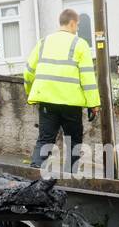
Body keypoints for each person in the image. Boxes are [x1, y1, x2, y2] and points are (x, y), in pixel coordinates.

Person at [24, 9, 101, 172]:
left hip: (46, 101)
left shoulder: (43, 42)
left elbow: (28, 72)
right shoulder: (80, 43)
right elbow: (87, 78)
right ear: (72, 23)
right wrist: (93, 104)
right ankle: (70, 177)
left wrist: (32, 92)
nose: (77, 28)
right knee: (73, 141)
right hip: (70, 103)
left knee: (45, 139)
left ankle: (35, 173)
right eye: (77, 25)